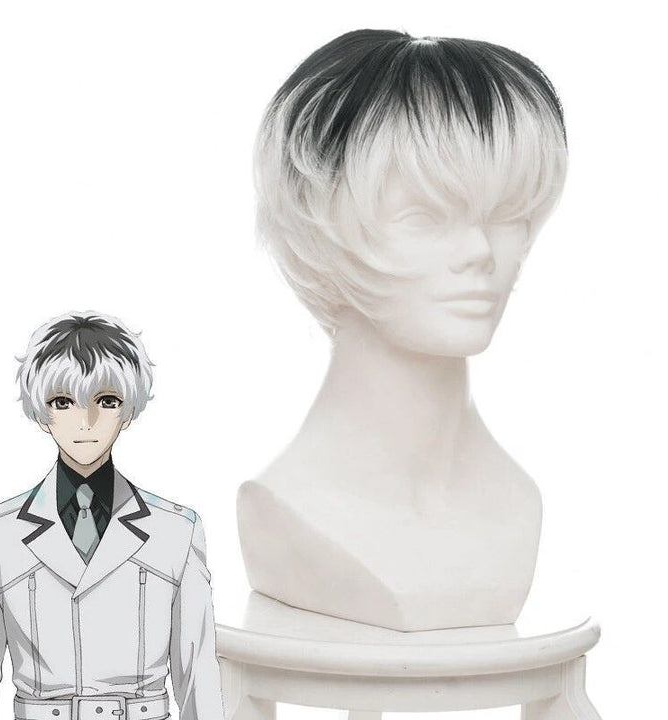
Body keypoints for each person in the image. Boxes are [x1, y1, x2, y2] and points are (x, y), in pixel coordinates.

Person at [239, 30, 568, 631]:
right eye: (424, 217)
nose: (480, 251)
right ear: (322, 220)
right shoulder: (288, 509)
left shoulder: (516, 502)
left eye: (505, 214)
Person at [0, 311, 224, 719]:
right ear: (41, 413)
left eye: (106, 401)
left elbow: (199, 678)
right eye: (63, 402)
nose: (86, 422)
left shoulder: (176, 531)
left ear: (127, 411)